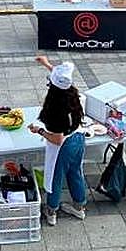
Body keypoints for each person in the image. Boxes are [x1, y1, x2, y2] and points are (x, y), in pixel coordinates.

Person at [31, 55, 87, 226]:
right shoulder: (72, 94)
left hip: (64, 146)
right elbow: (60, 76)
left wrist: (38, 130)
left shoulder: (55, 110)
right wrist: (46, 64)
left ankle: (51, 211)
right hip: (78, 139)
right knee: (75, 173)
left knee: (55, 176)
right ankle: (79, 207)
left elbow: (56, 139)